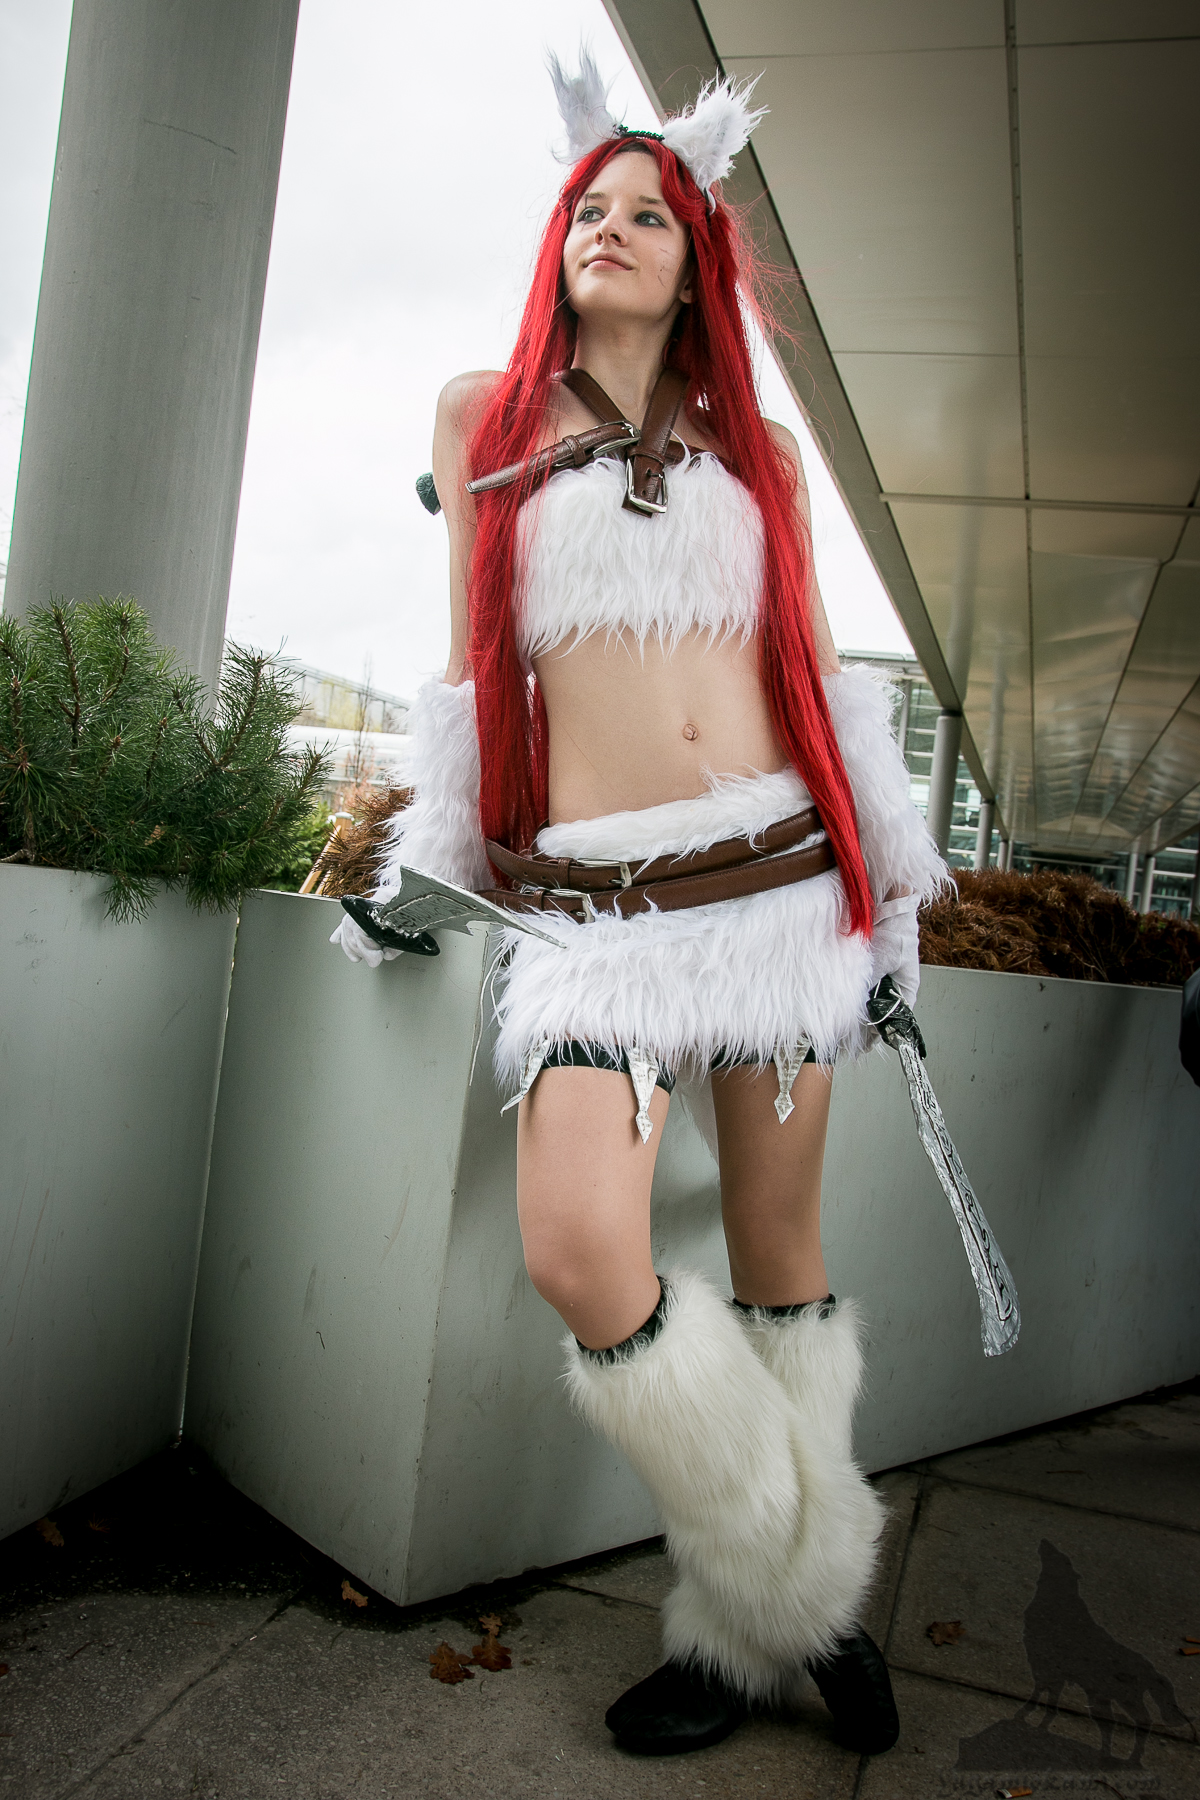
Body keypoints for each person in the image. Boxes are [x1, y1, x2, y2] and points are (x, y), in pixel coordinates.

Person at [335, 55, 945, 1759]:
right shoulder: (482, 417)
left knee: (778, 1260)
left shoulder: (764, 453)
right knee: (581, 1249)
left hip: (783, 896)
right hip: (592, 920)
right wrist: (427, 868)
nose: (608, 230)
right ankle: (805, 1590)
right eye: (586, 210)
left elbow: (825, 686)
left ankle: (735, 1642)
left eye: (646, 215)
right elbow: (473, 677)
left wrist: (893, 913)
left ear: (696, 260)